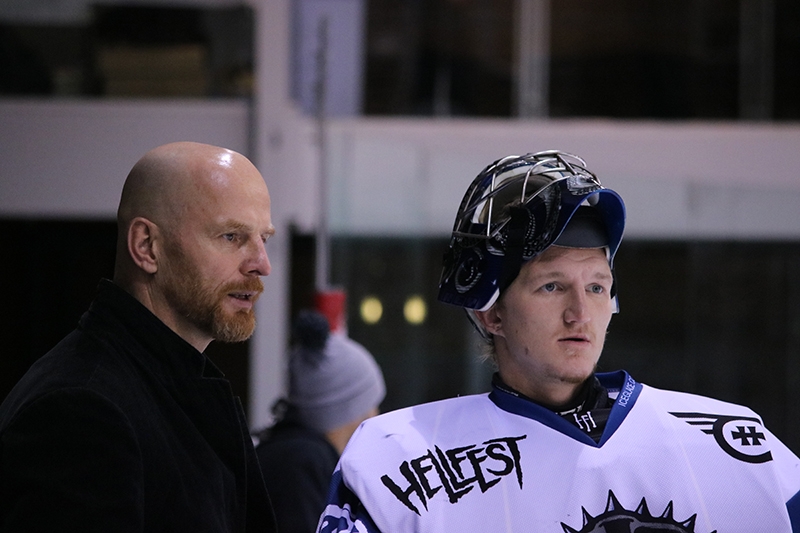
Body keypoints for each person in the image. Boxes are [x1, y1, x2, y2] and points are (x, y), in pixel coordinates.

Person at [316, 151, 800, 532]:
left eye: (595, 286)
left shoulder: (736, 442)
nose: (579, 312)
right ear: (491, 312)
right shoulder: (401, 461)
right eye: (551, 286)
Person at [0, 141, 278, 532]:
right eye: (231, 236)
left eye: (263, 239)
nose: (261, 264)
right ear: (147, 246)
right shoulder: (82, 409)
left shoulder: (164, 390)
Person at [255, 309, 385, 533]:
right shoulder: (302, 464)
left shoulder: (292, 453)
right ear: (348, 412)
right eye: (371, 406)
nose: (377, 416)